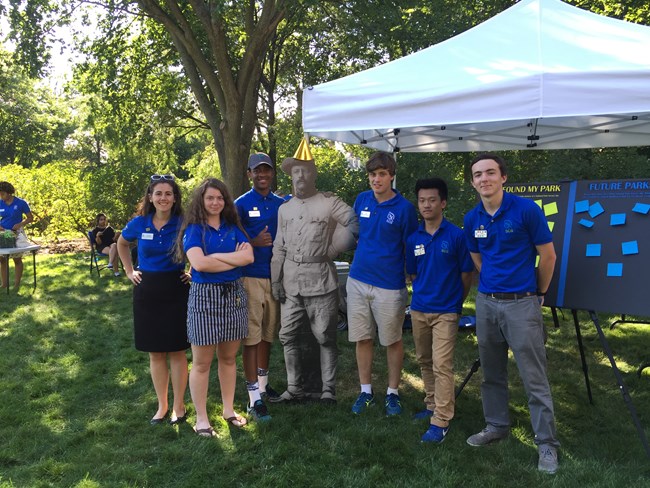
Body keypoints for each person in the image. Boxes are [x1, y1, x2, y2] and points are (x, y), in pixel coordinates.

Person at [463, 153, 559, 474]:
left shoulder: (526, 210)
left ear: (503, 177)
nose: (484, 179)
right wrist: (491, 284)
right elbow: (477, 257)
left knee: (534, 376)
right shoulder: (472, 218)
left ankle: (546, 444)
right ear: (473, 181)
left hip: (522, 303)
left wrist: (539, 293)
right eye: (478, 175)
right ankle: (496, 425)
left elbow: (548, 257)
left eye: (490, 172)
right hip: (487, 303)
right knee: (492, 371)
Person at [270, 138, 358, 404]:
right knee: (287, 336)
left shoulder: (329, 202)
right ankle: (294, 387)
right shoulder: (284, 209)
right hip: (291, 283)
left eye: (305, 170)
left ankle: (328, 388)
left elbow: (353, 223)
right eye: (296, 171)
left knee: (325, 336)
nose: (300, 175)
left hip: (320, 281)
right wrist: (276, 281)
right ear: (291, 176)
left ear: (313, 174)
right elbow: (278, 246)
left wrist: (331, 251)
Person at [178, 178, 254, 437]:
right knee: (201, 363)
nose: (215, 202)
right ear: (202, 200)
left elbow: (248, 257)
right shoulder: (194, 230)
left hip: (234, 296)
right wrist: (232, 260)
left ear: (226, 201)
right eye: (210, 198)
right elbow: (199, 265)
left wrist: (216, 258)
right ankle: (201, 418)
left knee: (229, 358)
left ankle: (228, 410)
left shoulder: (233, 228)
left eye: (220, 198)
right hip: (204, 298)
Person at [347, 152, 418, 416]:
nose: (376, 179)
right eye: (372, 174)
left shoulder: (405, 209)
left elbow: (410, 246)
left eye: (382, 174)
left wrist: (412, 275)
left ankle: (392, 393)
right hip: (357, 280)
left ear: (391, 176)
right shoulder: (361, 200)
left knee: (392, 340)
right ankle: (365, 391)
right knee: (363, 338)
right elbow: (354, 234)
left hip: (389, 284)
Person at [116, 175, 190, 426]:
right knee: (156, 353)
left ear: (175, 197)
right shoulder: (139, 223)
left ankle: (179, 406)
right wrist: (129, 271)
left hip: (176, 288)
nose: (163, 198)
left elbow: (200, 244)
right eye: (158, 193)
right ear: (150, 197)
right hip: (147, 291)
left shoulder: (184, 223)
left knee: (178, 351)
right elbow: (121, 244)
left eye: (168, 193)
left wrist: (192, 270)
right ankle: (162, 405)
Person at [405, 178, 474, 443]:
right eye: (422, 200)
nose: (426, 205)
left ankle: (441, 420)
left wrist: (456, 302)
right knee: (424, 360)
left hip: (447, 310)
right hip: (420, 308)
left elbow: (466, 274)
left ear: (442, 203)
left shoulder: (457, 236)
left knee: (442, 364)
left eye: (432, 200)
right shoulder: (414, 239)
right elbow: (412, 273)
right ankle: (431, 403)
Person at [235, 153, 285, 421]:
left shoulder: (281, 203)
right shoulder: (240, 205)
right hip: (250, 277)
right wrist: (253, 242)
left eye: (267, 170)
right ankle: (253, 397)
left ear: (272, 173)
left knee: (268, 334)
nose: (263, 175)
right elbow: (231, 240)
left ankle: (264, 389)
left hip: (276, 277)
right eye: (258, 171)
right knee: (251, 338)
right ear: (249, 174)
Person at [0, 181, 34, 290]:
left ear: (9, 193)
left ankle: (16, 285)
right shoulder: (0, 203)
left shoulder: (21, 203)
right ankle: (4, 284)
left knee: (17, 259)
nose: (1, 196)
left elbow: (30, 218)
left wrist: (20, 224)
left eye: (2, 193)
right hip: (3, 233)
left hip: (16, 234)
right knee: (2, 259)